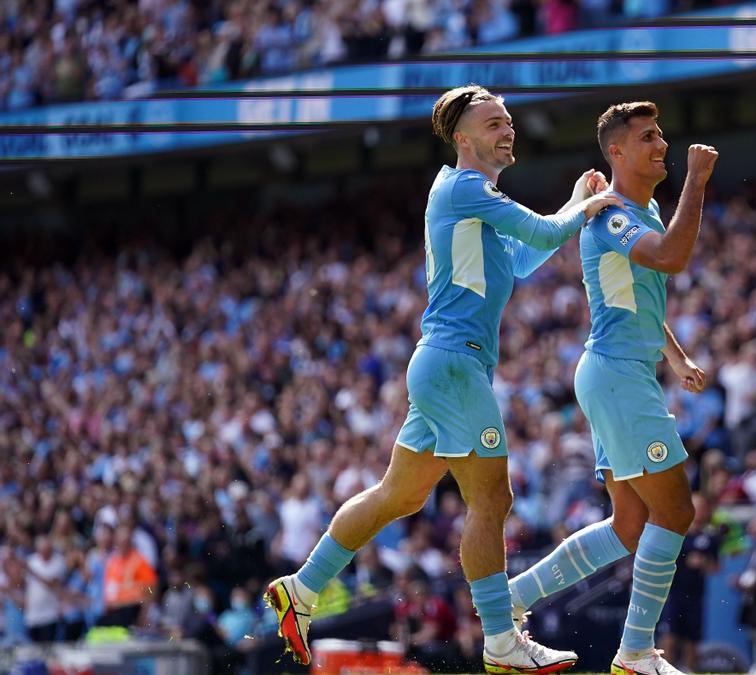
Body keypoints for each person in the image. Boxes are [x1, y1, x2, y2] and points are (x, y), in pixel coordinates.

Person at [264, 84, 621, 671]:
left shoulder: (472, 201)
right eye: (492, 124)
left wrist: (575, 205)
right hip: (454, 365)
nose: (506, 130)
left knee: (399, 496)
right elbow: (541, 233)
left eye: (508, 121)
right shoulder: (467, 186)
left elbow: (526, 257)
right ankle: (501, 640)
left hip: (444, 365)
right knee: (491, 499)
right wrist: (583, 206)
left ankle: (301, 589)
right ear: (462, 138)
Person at [505, 100, 718, 675]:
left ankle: (512, 599)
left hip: (618, 372)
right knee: (674, 512)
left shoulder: (640, 214)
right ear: (617, 152)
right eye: (648, 136)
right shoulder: (613, 214)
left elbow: (642, 299)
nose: (663, 144)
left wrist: (674, 357)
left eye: (662, 133)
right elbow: (672, 258)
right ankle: (635, 653)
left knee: (629, 525)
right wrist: (696, 181)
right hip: (617, 376)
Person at [659, 494, 720, 672]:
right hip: (673, 592)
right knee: (669, 635)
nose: (700, 511)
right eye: (696, 506)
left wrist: (703, 562)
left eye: (703, 507)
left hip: (695, 595)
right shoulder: (675, 533)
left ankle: (689, 670)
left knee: (692, 638)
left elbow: (715, 567)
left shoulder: (710, 537)